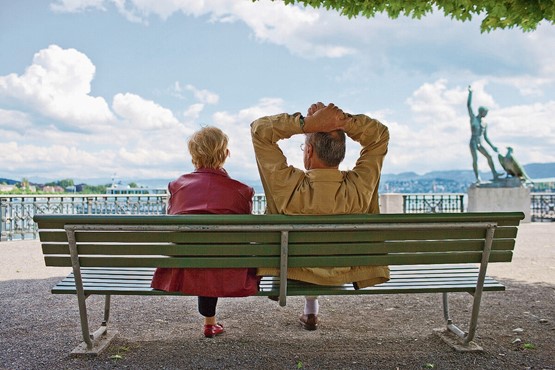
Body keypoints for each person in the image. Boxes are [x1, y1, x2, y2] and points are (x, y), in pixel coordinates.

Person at [250, 102, 390, 331]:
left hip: (292, 269)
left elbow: (259, 130)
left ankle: (310, 306)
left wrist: (306, 124)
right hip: (343, 270)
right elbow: (379, 135)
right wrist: (343, 121)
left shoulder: (287, 187)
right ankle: (311, 308)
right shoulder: (358, 188)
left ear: (309, 151)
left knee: (301, 255)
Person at [151, 126, 260, 338]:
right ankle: (210, 323)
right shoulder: (242, 191)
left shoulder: (177, 186)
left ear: (193, 155)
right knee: (214, 254)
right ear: (226, 154)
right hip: (229, 269)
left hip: (185, 267)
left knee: (201, 252)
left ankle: (210, 322)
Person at [467, 85, 503, 182]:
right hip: (473, 141)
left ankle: (495, 174)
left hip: (481, 141)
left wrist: (493, 147)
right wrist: (470, 93)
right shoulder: (474, 119)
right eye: (485, 112)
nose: (486, 114)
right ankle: (477, 177)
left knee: (489, 156)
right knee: (475, 159)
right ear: (481, 112)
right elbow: (469, 106)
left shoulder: (485, 123)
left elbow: (486, 137)